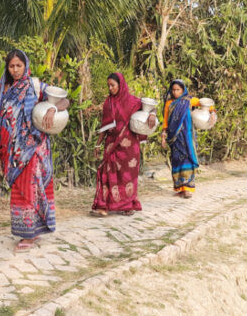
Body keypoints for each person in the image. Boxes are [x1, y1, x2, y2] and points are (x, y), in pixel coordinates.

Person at [0, 49, 69, 252]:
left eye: (19, 65)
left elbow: (64, 100)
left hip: (34, 149)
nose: (15, 70)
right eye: (11, 66)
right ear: (7, 68)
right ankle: (30, 229)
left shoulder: (36, 86)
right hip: (12, 152)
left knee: (31, 188)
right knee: (19, 190)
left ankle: (29, 234)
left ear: (26, 66)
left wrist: (53, 108)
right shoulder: (3, 90)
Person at [91, 73, 155, 217]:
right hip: (112, 145)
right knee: (106, 173)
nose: (110, 88)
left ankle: (127, 205)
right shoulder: (108, 103)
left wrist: (152, 114)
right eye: (108, 85)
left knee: (128, 177)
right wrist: (98, 145)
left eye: (113, 85)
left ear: (121, 85)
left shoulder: (133, 102)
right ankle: (103, 205)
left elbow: (151, 107)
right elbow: (104, 126)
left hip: (130, 148)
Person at [160, 79, 212, 198]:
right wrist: (163, 135)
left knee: (187, 160)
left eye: (178, 90)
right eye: (173, 90)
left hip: (187, 137)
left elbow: (205, 104)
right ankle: (179, 187)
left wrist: (212, 112)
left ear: (183, 90)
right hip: (174, 138)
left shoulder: (189, 100)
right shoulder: (169, 103)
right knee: (176, 161)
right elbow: (165, 121)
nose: (175, 92)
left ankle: (188, 188)